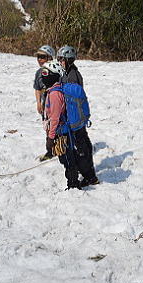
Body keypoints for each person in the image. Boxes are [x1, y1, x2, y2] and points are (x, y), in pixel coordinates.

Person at [42, 60, 99, 189]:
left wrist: (50, 138)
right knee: (74, 155)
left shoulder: (55, 94)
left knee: (67, 159)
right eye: (42, 72)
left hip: (63, 132)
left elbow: (55, 118)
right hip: (67, 130)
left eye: (46, 73)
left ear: (54, 75)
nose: (43, 76)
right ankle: (90, 177)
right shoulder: (55, 90)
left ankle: (73, 185)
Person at [34, 45, 56, 161]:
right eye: (38, 57)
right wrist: (38, 103)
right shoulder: (38, 73)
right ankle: (50, 150)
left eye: (42, 57)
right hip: (45, 105)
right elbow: (37, 88)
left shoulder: (57, 71)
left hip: (56, 105)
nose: (39, 59)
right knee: (47, 127)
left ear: (49, 58)